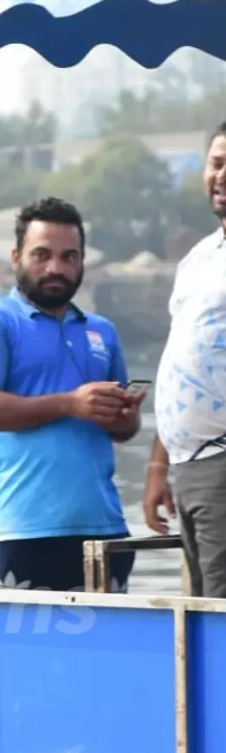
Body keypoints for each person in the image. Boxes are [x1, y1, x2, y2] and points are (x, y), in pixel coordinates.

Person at [0, 196, 144, 593]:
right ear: (16, 256)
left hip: (105, 528)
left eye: (68, 256)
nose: (56, 267)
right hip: (24, 530)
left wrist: (124, 416)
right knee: (15, 652)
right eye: (41, 254)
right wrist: (71, 403)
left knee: (106, 652)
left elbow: (123, 430)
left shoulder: (102, 331)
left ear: (82, 261)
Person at [143, 123, 226, 597]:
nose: (222, 174)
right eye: (216, 163)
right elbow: (181, 363)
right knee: (202, 613)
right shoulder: (198, 258)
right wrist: (159, 467)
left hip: (221, 461)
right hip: (187, 466)